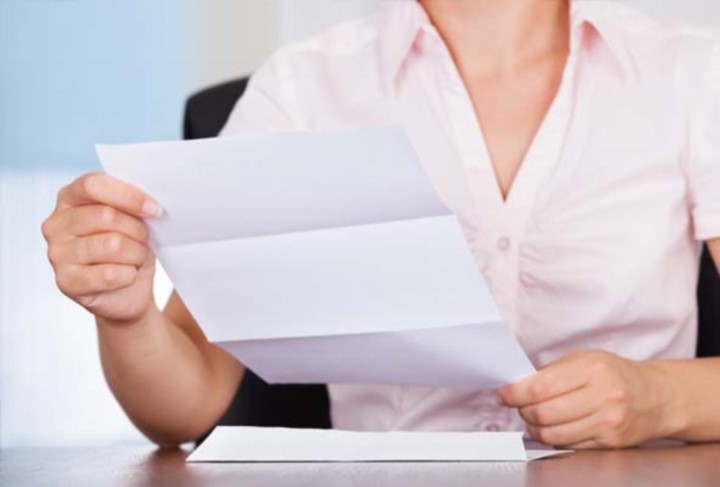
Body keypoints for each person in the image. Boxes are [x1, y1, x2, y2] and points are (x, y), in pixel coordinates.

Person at [41, 0, 720, 449]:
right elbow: (185, 406)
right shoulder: (304, 87)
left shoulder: (690, 71)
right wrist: (125, 316)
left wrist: (658, 397)